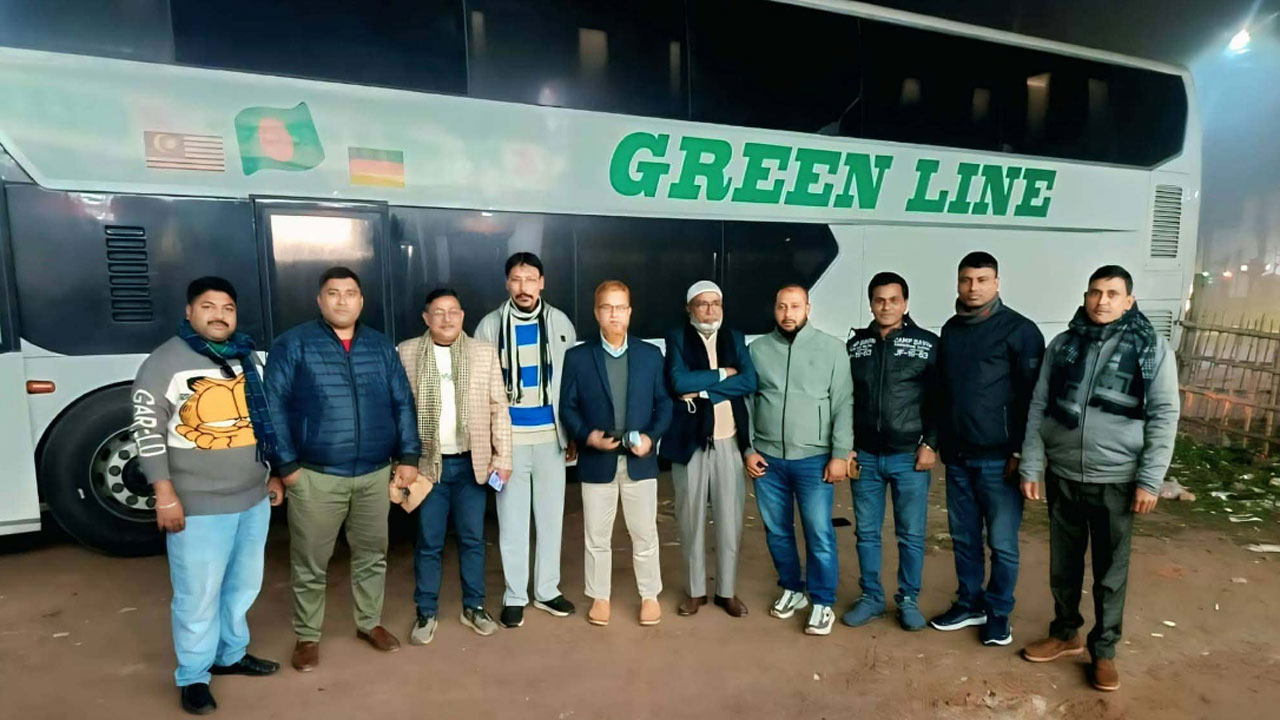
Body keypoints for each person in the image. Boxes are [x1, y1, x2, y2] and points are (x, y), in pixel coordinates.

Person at [1018, 265, 1178, 692]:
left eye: (1112, 293)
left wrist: (1150, 479)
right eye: (1094, 292)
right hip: (1064, 473)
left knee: (1110, 572)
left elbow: (1164, 414)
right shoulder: (1064, 345)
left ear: (1129, 301)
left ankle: (1104, 651)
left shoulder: (1150, 347)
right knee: (1064, 565)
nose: (1101, 301)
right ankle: (1065, 633)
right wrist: (1032, 462)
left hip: (1117, 479)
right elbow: (1039, 405)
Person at [131, 276, 281, 715]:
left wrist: (271, 475)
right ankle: (193, 676)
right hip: (197, 504)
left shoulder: (245, 356)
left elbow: (264, 421)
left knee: (242, 586)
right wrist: (164, 493)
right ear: (189, 312)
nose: (219, 315)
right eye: (209, 307)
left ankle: (230, 654)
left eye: (228, 308)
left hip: (253, 498)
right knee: (197, 594)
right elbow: (147, 432)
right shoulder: (164, 362)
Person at [265, 266, 420, 672]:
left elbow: (402, 402)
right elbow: (273, 406)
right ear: (320, 300)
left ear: (361, 301)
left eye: (350, 293)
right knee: (310, 561)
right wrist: (287, 467)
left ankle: (369, 623)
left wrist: (408, 456)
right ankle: (307, 635)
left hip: (373, 473)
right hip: (315, 475)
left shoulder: (380, 346)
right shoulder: (293, 344)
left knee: (372, 554)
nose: (342, 300)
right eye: (333, 293)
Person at [932, 251, 1045, 647]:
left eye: (982, 280)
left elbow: (1034, 400)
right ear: (958, 283)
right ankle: (969, 603)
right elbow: (944, 391)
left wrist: (1021, 454)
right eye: (966, 280)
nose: (973, 288)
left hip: (1000, 461)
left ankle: (998, 613)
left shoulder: (1020, 331)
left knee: (1002, 543)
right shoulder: (951, 330)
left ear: (997, 283)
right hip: (958, 458)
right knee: (964, 539)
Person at [398, 288, 512, 644]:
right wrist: (402, 461)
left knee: (473, 539)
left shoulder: (482, 353)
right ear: (426, 318)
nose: (447, 319)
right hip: (428, 467)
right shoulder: (407, 352)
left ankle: (473, 607)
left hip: (471, 464)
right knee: (428, 542)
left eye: (453, 312)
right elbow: (399, 410)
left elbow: (498, 407)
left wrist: (503, 458)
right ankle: (426, 611)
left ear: (463, 316)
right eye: (438, 312)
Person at [474, 252, 578, 628]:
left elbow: (571, 384)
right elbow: (480, 389)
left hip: (551, 437)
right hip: (510, 441)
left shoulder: (560, 323)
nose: (523, 287)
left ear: (541, 283)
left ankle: (547, 590)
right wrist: (491, 444)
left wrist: (572, 431)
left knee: (550, 519)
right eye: (516, 280)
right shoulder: (489, 326)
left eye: (530, 279)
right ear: (507, 283)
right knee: (512, 522)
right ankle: (515, 594)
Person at [560, 280, 672, 627]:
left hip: (640, 459)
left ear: (630, 312)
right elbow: (567, 406)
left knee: (645, 534)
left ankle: (650, 596)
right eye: (607, 307)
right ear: (596, 313)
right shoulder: (578, 357)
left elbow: (664, 404)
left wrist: (651, 438)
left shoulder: (650, 355)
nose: (614, 314)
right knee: (597, 536)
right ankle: (600, 597)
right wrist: (587, 436)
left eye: (620, 307)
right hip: (598, 459)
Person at [745, 284, 853, 636]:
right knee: (777, 530)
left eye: (795, 306)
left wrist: (840, 454)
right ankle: (792, 589)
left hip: (814, 459)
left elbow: (843, 403)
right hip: (768, 460)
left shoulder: (832, 349)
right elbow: (747, 403)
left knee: (818, 531)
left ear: (808, 308)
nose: (787, 313)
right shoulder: (757, 350)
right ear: (774, 309)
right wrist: (748, 449)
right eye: (781, 307)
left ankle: (822, 602)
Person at [842, 272, 939, 632]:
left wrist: (930, 443)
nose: (886, 307)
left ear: (905, 303)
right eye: (879, 300)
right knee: (867, 532)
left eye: (894, 300)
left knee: (910, 534)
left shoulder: (927, 344)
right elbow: (845, 399)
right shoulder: (856, 346)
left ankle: (908, 599)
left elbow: (941, 398)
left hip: (909, 456)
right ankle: (871, 597)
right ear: (871, 304)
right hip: (865, 456)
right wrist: (847, 447)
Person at [660, 280, 757, 618]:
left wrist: (704, 392)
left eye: (716, 303)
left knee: (730, 521)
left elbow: (749, 381)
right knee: (691, 520)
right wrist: (723, 373)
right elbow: (678, 382)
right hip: (691, 443)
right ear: (690, 308)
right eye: (702, 304)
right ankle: (695, 591)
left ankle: (726, 591)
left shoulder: (735, 337)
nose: (710, 310)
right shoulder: (677, 337)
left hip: (729, 441)